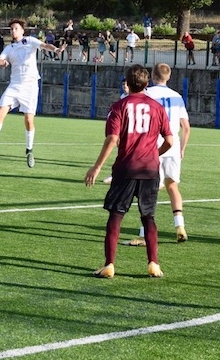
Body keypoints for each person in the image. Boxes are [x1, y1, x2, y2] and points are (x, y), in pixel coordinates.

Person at [85, 65, 173, 279]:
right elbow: (170, 141)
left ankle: (109, 265)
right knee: (148, 217)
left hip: (125, 168)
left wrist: (96, 167)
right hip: (150, 170)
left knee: (116, 216)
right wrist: (154, 153)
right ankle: (153, 263)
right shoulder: (157, 108)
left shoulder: (119, 107)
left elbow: (113, 139)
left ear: (127, 82)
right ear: (146, 83)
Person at [0, 19, 66, 167]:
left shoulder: (30, 41)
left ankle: (29, 150)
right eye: (11, 29)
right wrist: (0, 62)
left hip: (30, 86)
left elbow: (45, 45)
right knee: (0, 113)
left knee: (28, 120)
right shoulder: (9, 48)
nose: (13, 31)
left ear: (22, 30)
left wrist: (56, 50)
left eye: (16, 28)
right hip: (14, 85)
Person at [128, 63, 191, 246]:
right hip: (172, 145)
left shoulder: (147, 94)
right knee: (173, 187)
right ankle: (180, 226)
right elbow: (186, 128)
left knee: (148, 191)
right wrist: (182, 149)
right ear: (168, 77)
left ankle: (143, 234)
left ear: (152, 77)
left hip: (151, 147)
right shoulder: (177, 97)